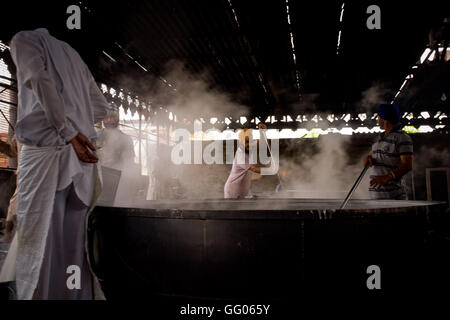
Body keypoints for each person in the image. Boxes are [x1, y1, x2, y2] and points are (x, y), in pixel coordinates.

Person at [1, 27, 109, 299]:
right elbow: (101, 108)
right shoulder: (71, 53)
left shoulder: (23, 40)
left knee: (39, 249)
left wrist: (68, 130)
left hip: (46, 159)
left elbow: (37, 77)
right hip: (81, 167)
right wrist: (76, 120)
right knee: (73, 249)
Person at [363, 104, 413, 200]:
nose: (377, 120)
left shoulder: (402, 137)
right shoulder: (378, 139)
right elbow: (370, 156)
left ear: (384, 118)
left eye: (378, 117)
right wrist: (367, 159)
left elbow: (407, 165)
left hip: (394, 198)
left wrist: (386, 177)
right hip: (376, 198)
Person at [224, 123, 266, 199]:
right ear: (241, 142)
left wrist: (262, 131)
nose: (249, 144)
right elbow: (254, 169)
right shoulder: (241, 154)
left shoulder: (248, 147)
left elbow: (260, 143)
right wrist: (271, 170)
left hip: (242, 191)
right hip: (233, 191)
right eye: (247, 142)